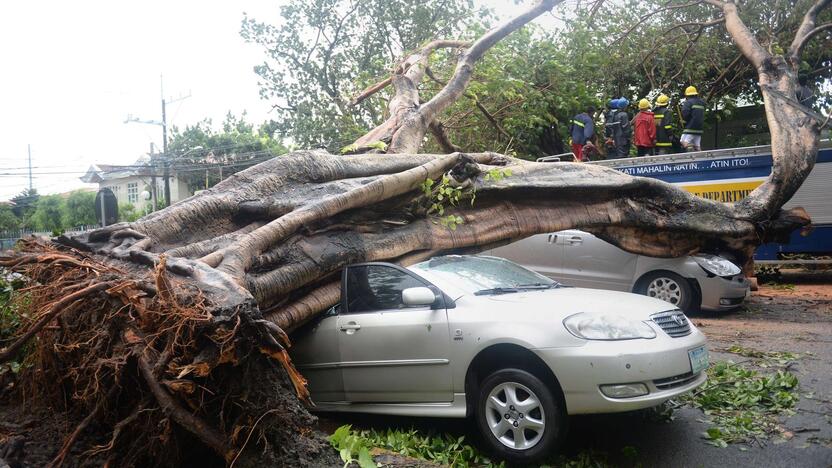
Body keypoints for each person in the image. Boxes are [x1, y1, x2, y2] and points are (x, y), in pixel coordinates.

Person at [680, 85, 705, 152]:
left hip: (690, 128)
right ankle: (701, 157)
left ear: (687, 95)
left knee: (683, 142)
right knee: (697, 145)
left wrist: (683, 121)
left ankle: (691, 156)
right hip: (699, 128)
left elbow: (685, 114)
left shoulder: (688, 103)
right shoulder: (702, 102)